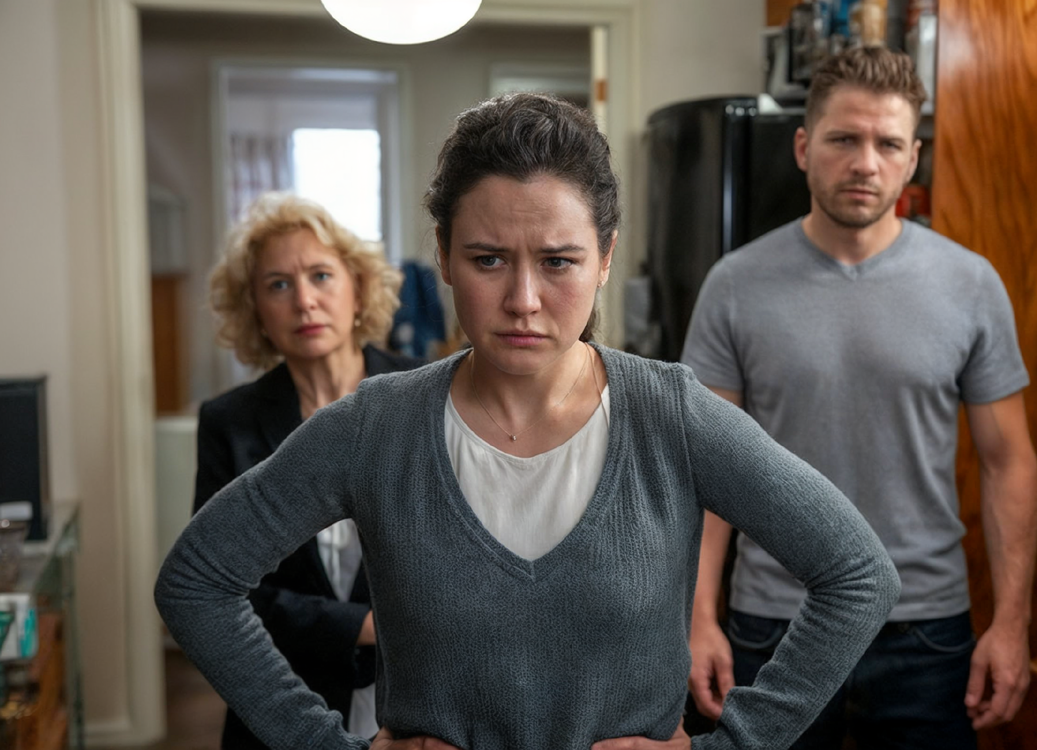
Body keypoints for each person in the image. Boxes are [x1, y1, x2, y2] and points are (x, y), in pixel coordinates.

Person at [155, 93, 900, 750]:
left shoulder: (671, 417)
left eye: (558, 261)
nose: (523, 301)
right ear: (443, 255)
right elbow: (196, 582)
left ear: (605, 258)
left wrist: (734, 745)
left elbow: (857, 574)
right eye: (487, 260)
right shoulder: (375, 427)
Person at [681, 47, 1037, 749]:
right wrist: (697, 617)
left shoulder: (971, 285)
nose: (865, 163)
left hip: (925, 630)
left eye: (888, 144)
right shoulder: (735, 285)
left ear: (913, 159)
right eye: (844, 139)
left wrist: (1012, 622)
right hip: (776, 623)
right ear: (803, 147)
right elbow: (707, 470)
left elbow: (1009, 463)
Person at [193, 192, 422, 749]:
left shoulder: (426, 395)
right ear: (255, 310)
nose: (304, 301)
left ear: (358, 288)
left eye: (321, 276)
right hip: (281, 710)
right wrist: (362, 626)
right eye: (278, 285)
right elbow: (218, 584)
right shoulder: (228, 423)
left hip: (420, 707)